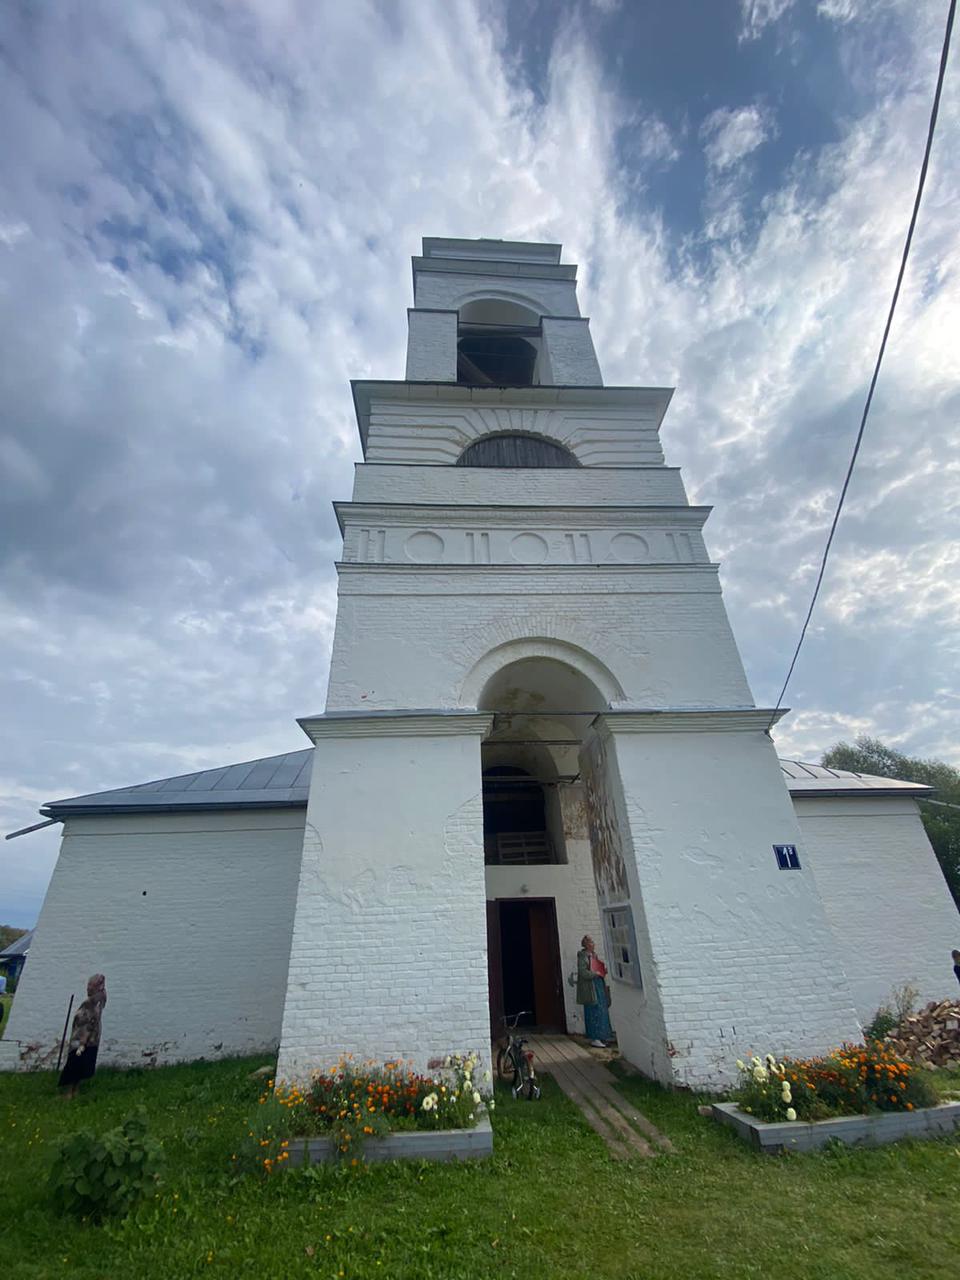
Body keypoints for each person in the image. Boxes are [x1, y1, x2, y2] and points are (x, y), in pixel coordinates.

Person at [58, 973, 107, 1099]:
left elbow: (89, 1021)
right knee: (79, 1064)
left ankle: (70, 1092)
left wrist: (84, 1039)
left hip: (83, 1039)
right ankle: (74, 1090)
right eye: (88, 985)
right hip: (88, 1038)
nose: (88, 988)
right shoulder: (98, 1001)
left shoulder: (91, 1003)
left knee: (75, 1063)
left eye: (91, 985)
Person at [577, 935, 613, 1048]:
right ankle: (595, 1037)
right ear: (587, 944)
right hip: (591, 987)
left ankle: (602, 1035)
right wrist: (595, 974)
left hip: (598, 985)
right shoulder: (583, 957)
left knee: (601, 1010)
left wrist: (602, 971)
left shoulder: (594, 955)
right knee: (594, 1011)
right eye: (591, 942)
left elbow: (596, 967)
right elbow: (583, 972)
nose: (593, 944)